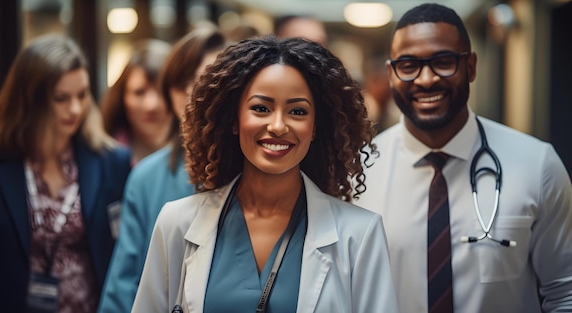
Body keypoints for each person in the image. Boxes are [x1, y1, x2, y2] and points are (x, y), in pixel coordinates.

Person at [132, 36, 398, 313]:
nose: (278, 125)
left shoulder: (359, 235)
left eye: (297, 111)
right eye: (261, 108)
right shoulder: (177, 224)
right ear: (234, 120)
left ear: (316, 127)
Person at [353, 3, 572, 313]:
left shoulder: (538, 166)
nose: (426, 79)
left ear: (470, 66)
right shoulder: (359, 173)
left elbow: (564, 292)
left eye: (443, 62)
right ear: (390, 74)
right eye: (408, 65)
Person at [0, 34, 132, 313]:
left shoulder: (112, 163)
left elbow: (126, 261)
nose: (75, 108)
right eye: (61, 98)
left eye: (82, 95)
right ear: (29, 100)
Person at [97, 26, 227, 313]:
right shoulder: (146, 177)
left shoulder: (261, 170)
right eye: (184, 84)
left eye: (209, 81)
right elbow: (123, 286)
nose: (197, 94)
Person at [100, 39, 172, 165]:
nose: (151, 105)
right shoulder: (103, 158)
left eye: (161, 91)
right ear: (122, 96)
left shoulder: (197, 156)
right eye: (139, 92)